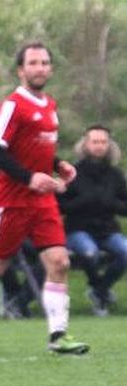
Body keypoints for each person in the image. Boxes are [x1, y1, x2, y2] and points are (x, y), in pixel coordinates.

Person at [0, 41, 89, 357]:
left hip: (42, 201)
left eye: (45, 63)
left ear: (51, 69)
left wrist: (58, 164)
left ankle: (58, 335)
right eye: (33, 63)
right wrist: (29, 178)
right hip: (11, 201)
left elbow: (35, 149)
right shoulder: (13, 105)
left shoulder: (49, 105)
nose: (40, 68)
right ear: (21, 70)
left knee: (60, 261)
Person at [57, 124, 127, 316]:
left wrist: (111, 203)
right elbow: (59, 205)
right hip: (77, 230)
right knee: (89, 253)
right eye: (95, 142)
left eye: (103, 142)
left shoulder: (115, 175)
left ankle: (99, 291)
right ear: (85, 144)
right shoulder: (72, 173)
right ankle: (99, 291)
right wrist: (82, 202)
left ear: (109, 145)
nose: (99, 146)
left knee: (125, 252)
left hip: (108, 231)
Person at [0, 160, 45, 319]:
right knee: (0, 261)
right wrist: (0, 228)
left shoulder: (24, 173)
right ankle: (13, 294)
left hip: (23, 233)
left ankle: (20, 302)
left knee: (47, 258)